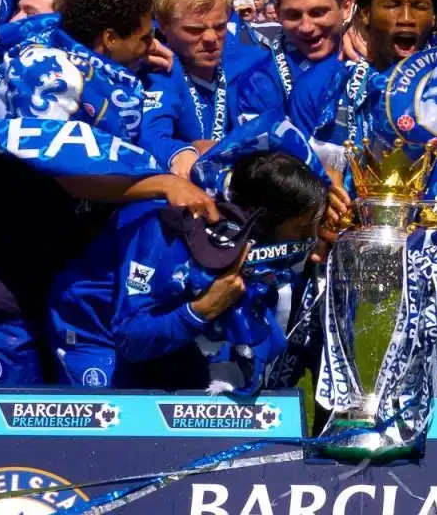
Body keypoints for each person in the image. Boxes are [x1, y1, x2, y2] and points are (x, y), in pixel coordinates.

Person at [0, 0, 217, 385]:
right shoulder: (45, 71)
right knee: (14, 409)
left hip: (67, 269)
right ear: (109, 38)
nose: (152, 46)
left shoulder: (85, 54)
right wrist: (165, 183)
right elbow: (73, 175)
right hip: (11, 273)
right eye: (143, 37)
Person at [49, 150, 325, 391]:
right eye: (302, 229)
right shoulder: (165, 231)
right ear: (264, 220)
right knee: (116, 427)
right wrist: (203, 309)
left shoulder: (248, 235)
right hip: (96, 334)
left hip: (171, 334)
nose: (310, 239)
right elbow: (130, 339)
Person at [290, 0, 437, 262]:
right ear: (366, 13)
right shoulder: (322, 86)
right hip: (352, 259)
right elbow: (302, 172)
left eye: (419, 6)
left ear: (435, 16)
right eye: (393, 5)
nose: (406, 18)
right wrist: (319, 209)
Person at [140, 0, 286, 180]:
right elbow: (151, 133)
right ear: (162, 25)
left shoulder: (252, 60)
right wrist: (179, 152)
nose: (210, 38)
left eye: (219, 27)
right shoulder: (159, 72)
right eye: (194, 30)